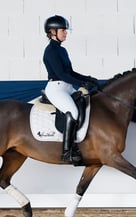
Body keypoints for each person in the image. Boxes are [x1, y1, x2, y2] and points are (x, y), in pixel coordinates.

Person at [43, 15, 99, 165]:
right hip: (56, 89)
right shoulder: (50, 51)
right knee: (73, 112)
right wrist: (81, 83)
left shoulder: (62, 50)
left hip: (67, 87)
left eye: (65, 31)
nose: (66, 33)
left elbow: (70, 72)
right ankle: (67, 152)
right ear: (52, 32)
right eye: (63, 30)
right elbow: (61, 74)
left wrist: (88, 79)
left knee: (87, 105)